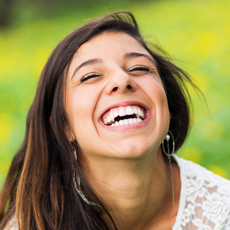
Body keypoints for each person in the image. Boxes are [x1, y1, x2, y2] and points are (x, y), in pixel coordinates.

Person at [0, 11, 230, 230]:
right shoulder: (30, 223)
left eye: (139, 68)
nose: (122, 79)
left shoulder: (223, 214)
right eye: (90, 76)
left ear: (168, 107)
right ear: (64, 127)